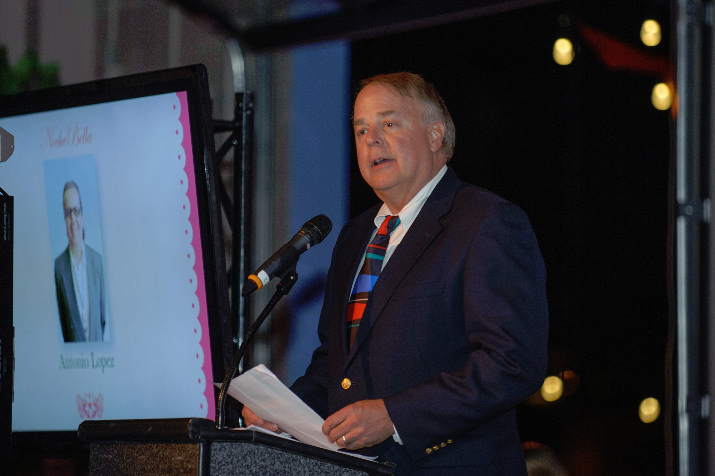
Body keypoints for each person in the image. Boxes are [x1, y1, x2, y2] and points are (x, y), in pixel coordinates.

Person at [243, 72, 548, 474]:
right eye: (361, 129)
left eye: (389, 123)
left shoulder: (485, 221)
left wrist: (395, 416)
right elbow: (337, 366)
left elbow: (511, 363)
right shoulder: (354, 236)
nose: (371, 139)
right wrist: (281, 413)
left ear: (435, 135)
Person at [55, 180, 107, 342]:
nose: (73, 220)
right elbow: (65, 327)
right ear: (64, 218)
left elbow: (102, 320)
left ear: (82, 215)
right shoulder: (59, 267)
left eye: (76, 211)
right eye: (68, 212)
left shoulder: (97, 261)